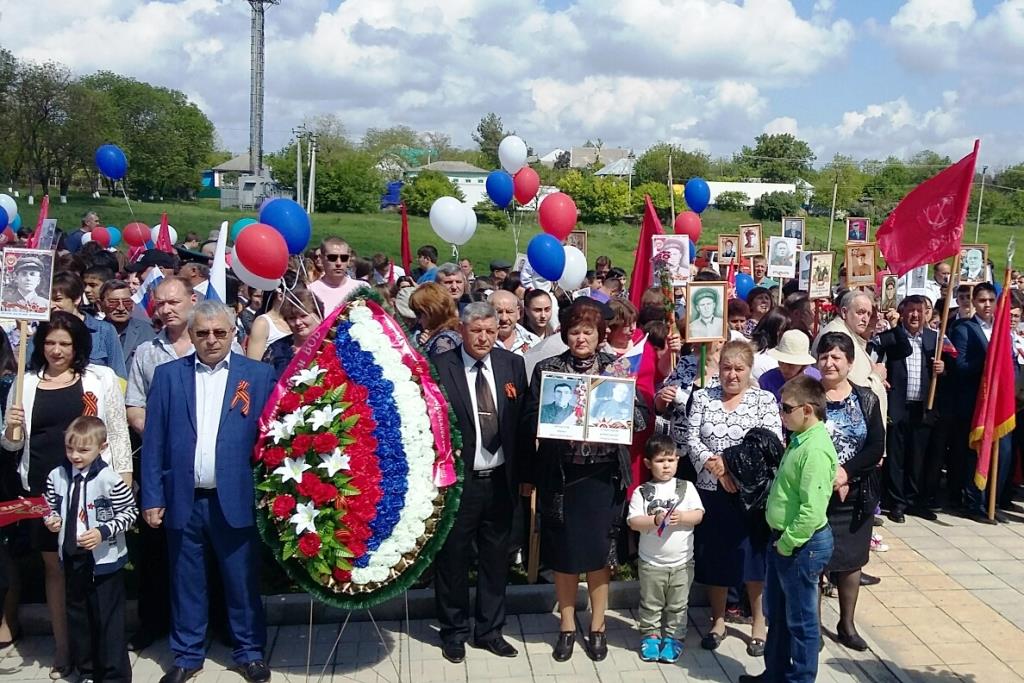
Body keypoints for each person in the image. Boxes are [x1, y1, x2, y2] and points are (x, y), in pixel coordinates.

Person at [141, 301, 275, 683]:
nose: (212, 340)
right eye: (203, 333)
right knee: (186, 583)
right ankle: (186, 655)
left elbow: (271, 442)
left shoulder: (259, 375)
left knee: (242, 581)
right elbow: (154, 442)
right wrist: (152, 497)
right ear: (192, 334)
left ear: (234, 333)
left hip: (235, 498)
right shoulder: (168, 376)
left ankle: (249, 652)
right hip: (183, 498)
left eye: (219, 332)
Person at [1, 311, 132, 679]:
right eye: (49, 343)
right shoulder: (25, 383)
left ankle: (100, 654)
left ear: (77, 347)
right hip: (46, 489)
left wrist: (122, 478)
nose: (56, 350)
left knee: (94, 572)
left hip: (93, 488)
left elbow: (118, 433)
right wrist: (11, 430)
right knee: (55, 568)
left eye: (64, 343)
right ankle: (64, 650)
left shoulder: (99, 378)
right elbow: (13, 446)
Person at [523, 299, 649, 662]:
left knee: (599, 555)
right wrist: (551, 421)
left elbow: (641, 416)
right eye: (575, 331)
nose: (581, 338)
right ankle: (565, 625)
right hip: (561, 477)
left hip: (601, 477)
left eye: (588, 332)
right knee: (564, 556)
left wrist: (623, 410)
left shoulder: (617, 368)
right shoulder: (549, 369)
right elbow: (530, 415)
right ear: (566, 333)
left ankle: (597, 626)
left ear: (600, 335)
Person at [431, 303, 530, 663]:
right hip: (461, 483)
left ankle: (489, 630)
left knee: (495, 559)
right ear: (462, 330)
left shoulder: (511, 365)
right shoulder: (442, 368)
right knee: (453, 559)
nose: (485, 337)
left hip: (501, 479)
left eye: (491, 330)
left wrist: (527, 476)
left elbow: (522, 422)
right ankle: (454, 631)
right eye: (477, 331)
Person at [685, 341, 782, 656]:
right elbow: (692, 437)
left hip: (750, 495)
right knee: (716, 556)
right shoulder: (702, 397)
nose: (732, 375)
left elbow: (770, 442)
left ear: (749, 369)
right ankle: (717, 619)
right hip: (712, 491)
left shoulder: (764, 400)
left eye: (739, 368)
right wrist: (716, 467)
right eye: (727, 367)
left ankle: (758, 621)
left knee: (752, 558)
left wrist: (734, 469)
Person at [740, 376, 837, 683]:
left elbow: (812, 510)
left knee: (802, 621)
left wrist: (787, 543)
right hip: (785, 540)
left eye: (786, 408)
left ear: (807, 410)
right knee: (779, 616)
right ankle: (776, 673)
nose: (781, 413)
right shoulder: (800, 440)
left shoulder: (816, 449)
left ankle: (800, 679)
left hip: (800, 544)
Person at [44, 416, 137, 683]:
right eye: (70, 448)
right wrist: (51, 520)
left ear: (102, 447)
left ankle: (114, 676)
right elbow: (49, 506)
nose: (75, 455)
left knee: (108, 621)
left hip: (104, 561)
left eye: (83, 450)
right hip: (73, 557)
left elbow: (129, 513)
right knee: (79, 617)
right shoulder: (56, 476)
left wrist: (102, 531)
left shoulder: (110, 480)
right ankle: (87, 670)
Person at [814, 332, 884, 651]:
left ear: (850, 363)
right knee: (815, 560)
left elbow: (875, 446)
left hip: (855, 495)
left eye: (836, 357)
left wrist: (846, 474)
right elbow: (796, 440)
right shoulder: (809, 397)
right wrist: (828, 476)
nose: (829, 362)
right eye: (824, 356)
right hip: (816, 494)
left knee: (851, 561)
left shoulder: (866, 398)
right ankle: (811, 627)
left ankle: (847, 623)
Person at [627, 435, 704, 664]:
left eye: (671, 460)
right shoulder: (642, 491)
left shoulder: (686, 488)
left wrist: (683, 517)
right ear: (648, 464)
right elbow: (633, 522)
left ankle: (673, 637)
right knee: (651, 603)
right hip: (651, 562)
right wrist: (655, 520)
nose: (667, 465)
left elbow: (699, 515)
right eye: (661, 461)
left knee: (678, 604)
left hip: (682, 562)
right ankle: (650, 635)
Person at [949, 282, 1014, 523]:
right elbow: (961, 366)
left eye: (991, 301)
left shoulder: (1001, 330)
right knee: (975, 455)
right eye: (982, 301)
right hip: (975, 403)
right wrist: (990, 361)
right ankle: (974, 502)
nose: (987, 305)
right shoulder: (964, 329)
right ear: (974, 302)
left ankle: (991, 502)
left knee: (1004, 454)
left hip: (999, 407)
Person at [879, 295, 946, 522]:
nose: (915, 315)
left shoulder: (935, 339)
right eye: (911, 311)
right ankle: (897, 502)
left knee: (918, 457)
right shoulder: (892, 337)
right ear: (903, 312)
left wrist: (942, 368)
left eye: (920, 310)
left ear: (927, 313)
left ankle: (915, 500)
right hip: (898, 405)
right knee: (897, 456)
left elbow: (950, 374)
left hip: (923, 407)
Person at [813, 290, 888, 424]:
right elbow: (855, 386)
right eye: (860, 312)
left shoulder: (849, 333)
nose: (865, 319)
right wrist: (877, 377)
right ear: (844, 312)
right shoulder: (838, 336)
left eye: (868, 314)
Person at [46, 272, 127, 380]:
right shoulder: (43, 331)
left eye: (57, 299)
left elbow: (119, 375)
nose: (51, 305)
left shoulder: (104, 330)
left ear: (76, 299)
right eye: (48, 300)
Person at [264, 287, 324, 379]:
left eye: (303, 316)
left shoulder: (331, 344)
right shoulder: (277, 349)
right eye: (292, 318)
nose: (298, 323)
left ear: (318, 315)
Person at [99, 280, 156, 367]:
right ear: (101, 305)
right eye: (113, 302)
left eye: (126, 302)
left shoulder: (146, 330)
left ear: (132, 304)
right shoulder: (92, 333)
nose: (121, 308)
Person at [307, 238, 367, 313]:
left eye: (344, 258)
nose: (338, 263)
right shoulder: (311, 291)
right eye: (332, 258)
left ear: (348, 260)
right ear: (322, 259)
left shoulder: (362, 288)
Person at [758, 329, 821, 400]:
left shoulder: (817, 380)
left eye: (790, 365)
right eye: (781, 362)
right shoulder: (767, 380)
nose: (784, 368)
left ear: (803, 365)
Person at [409, 282, 463, 357]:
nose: (419, 321)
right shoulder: (446, 333)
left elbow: (440, 368)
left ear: (433, 312)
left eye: (419, 314)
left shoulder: (443, 342)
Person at [245, 287, 292, 361]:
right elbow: (253, 364)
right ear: (280, 295)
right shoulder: (262, 323)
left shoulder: (296, 321)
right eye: (296, 296)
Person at [489, 290, 538, 355]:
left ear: (518, 313)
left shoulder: (533, 342)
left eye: (509, 312)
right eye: (499, 312)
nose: (504, 318)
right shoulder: (482, 343)